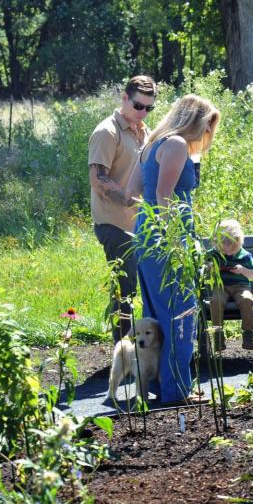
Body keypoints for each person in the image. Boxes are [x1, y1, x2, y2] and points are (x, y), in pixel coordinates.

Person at [127, 95, 221, 404]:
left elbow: (132, 193)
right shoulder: (177, 145)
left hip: (146, 235)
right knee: (181, 314)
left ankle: (160, 386)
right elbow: (164, 194)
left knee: (155, 315)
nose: (208, 134)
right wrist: (175, 244)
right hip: (168, 241)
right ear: (197, 121)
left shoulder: (152, 143)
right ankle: (176, 390)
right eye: (208, 126)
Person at [88, 75, 157, 343]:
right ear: (124, 98)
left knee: (145, 286)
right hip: (114, 224)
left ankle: (142, 349)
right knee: (125, 290)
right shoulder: (107, 132)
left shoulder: (143, 130)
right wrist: (131, 200)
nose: (143, 113)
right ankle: (122, 352)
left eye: (149, 108)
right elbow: (98, 179)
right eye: (139, 106)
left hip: (140, 224)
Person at [208, 219, 253, 351]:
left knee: (247, 300)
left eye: (231, 251)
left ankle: (248, 333)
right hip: (220, 287)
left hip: (240, 287)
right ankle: (218, 336)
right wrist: (210, 268)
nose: (228, 254)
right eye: (224, 251)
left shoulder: (245, 256)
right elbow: (203, 271)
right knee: (215, 300)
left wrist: (242, 270)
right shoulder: (213, 255)